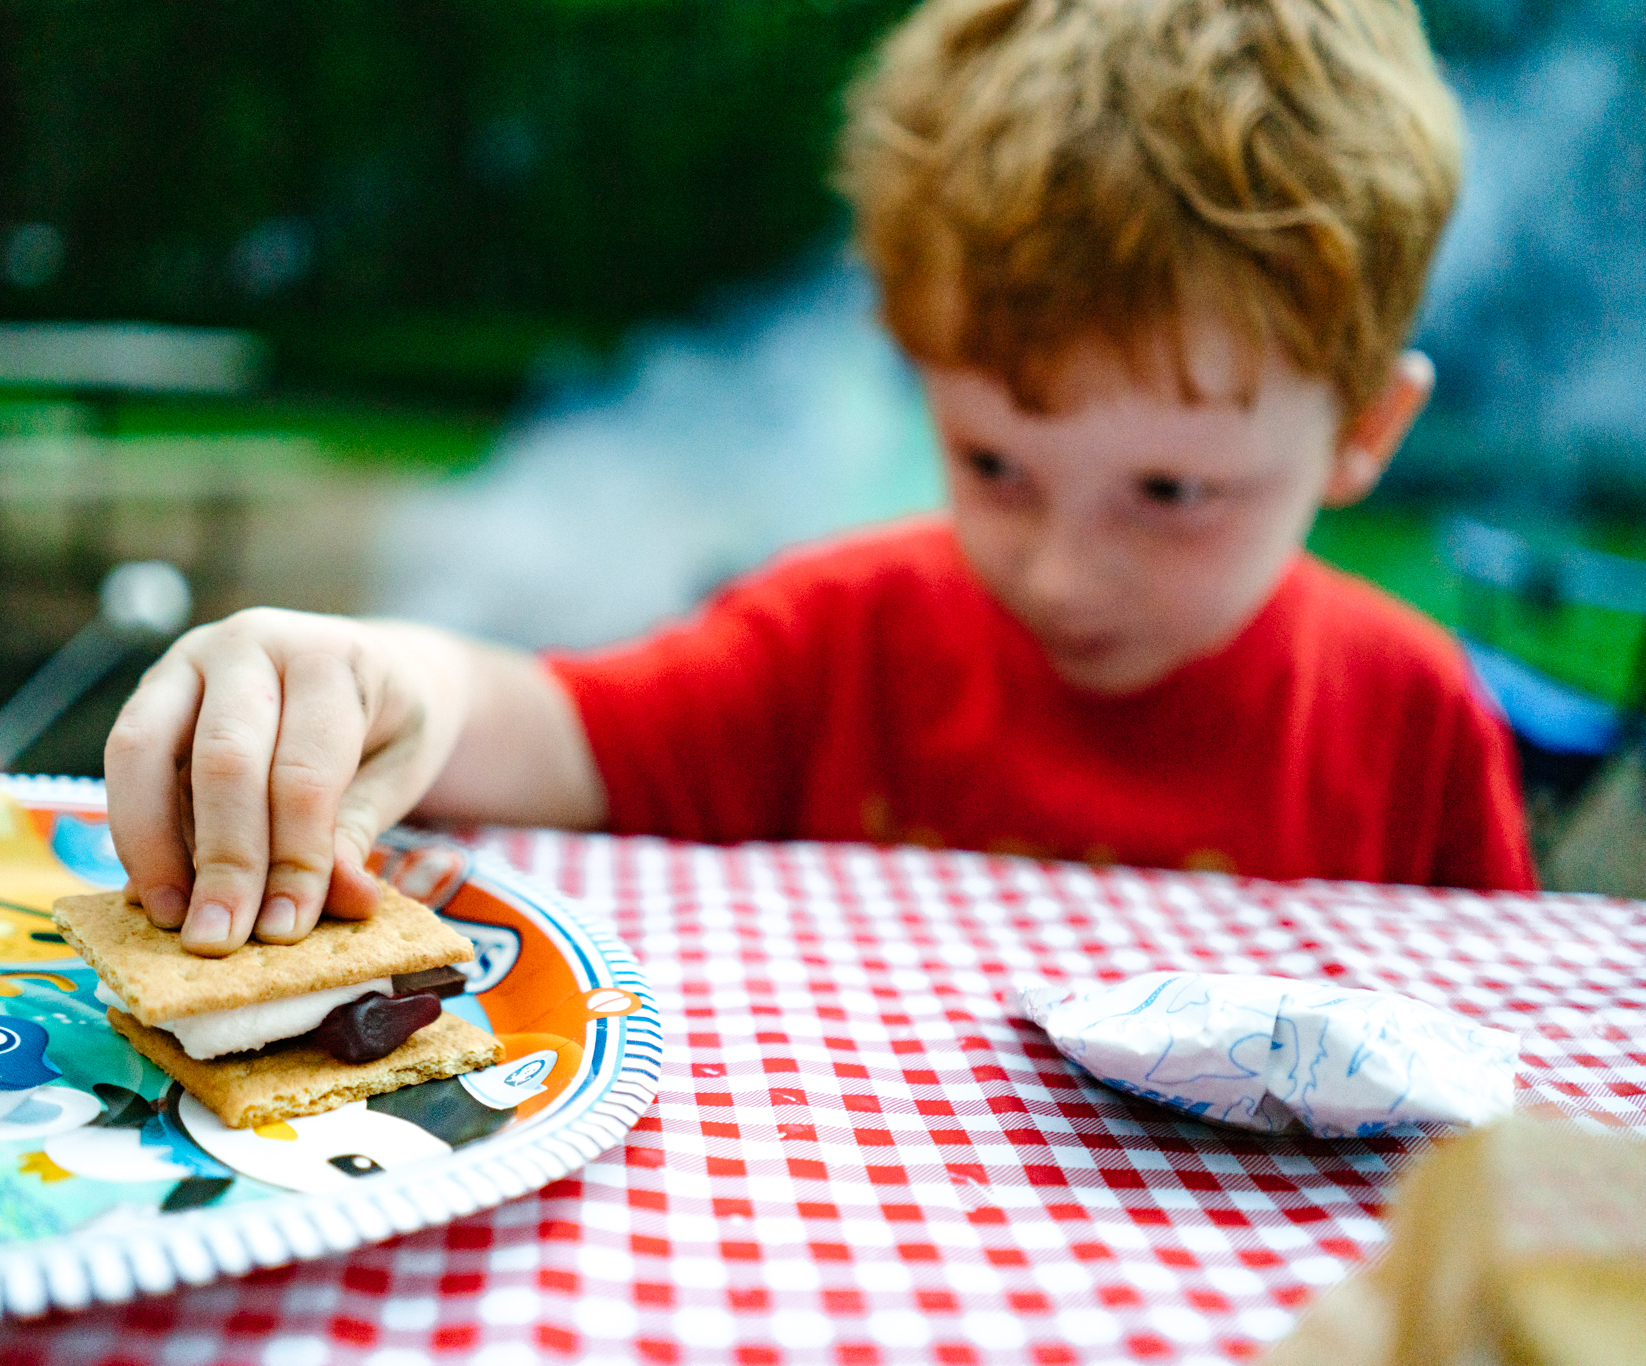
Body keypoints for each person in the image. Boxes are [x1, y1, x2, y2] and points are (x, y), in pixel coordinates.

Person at [105, 0, 1535, 959]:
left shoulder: (1411, 724)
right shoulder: (840, 641)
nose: (1057, 569)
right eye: (993, 463)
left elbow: (1513, 1079)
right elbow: (553, 726)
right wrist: (364, 675)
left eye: (1170, 493)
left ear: (1363, 432)